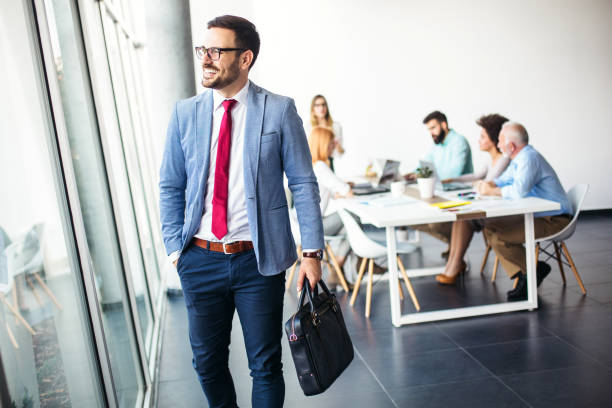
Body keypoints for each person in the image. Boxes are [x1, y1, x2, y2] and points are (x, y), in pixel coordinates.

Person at [159, 15, 324, 407]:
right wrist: (174, 249)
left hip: (258, 260)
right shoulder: (185, 113)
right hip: (199, 258)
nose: (206, 58)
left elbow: (302, 183)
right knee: (207, 363)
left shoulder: (279, 110)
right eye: (203, 50)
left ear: (245, 58)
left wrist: (311, 253)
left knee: (265, 365)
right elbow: (170, 184)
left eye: (217, 50)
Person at [478, 122, 572, 301]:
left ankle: (529, 275)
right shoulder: (519, 159)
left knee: (500, 238)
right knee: (490, 226)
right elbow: (504, 180)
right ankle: (531, 272)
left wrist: (490, 191)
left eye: (499, 141)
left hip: (555, 219)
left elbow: (518, 191)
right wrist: (491, 184)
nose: (497, 145)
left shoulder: (529, 158)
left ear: (511, 145)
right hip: (539, 216)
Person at [435, 114, 511, 284]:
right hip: (490, 206)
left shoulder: (503, 160)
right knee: (460, 218)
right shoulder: (492, 159)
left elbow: (486, 184)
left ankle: (454, 265)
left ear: (493, 139)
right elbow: (476, 176)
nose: (479, 140)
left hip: (500, 212)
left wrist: (477, 183)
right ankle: (452, 264)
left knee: (464, 218)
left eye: (482, 136)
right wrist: (451, 180)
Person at [406, 111, 474, 252]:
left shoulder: (459, 142)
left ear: (444, 124)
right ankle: (456, 244)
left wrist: (426, 176)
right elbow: (425, 164)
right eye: (429, 130)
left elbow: (453, 174)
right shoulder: (437, 144)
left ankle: (457, 245)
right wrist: (414, 173)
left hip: (459, 192)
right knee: (413, 219)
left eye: (433, 128)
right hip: (441, 191)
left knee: (432, 223)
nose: (431, 132)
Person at [307, 126, 353, 287]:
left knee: (348, 228)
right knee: (351, 217)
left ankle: (337, 271)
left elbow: (327, 191)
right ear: (323, 144)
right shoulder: (321, 166)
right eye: (330, 144)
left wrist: (338, 193)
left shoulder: (310, 165)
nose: (332, 147)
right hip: (315, 227)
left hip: (302, 227)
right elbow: (346, 190)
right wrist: (348, 191)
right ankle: (337, 267)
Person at [309, 95, 344, 171]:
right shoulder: (309, 128)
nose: (321, 108)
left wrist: (336, 146)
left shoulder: (336, 127)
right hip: (313, 164)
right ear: (313, 109)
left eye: (323, 104)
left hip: (329, 162)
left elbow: (340, 153)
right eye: (317, 105)